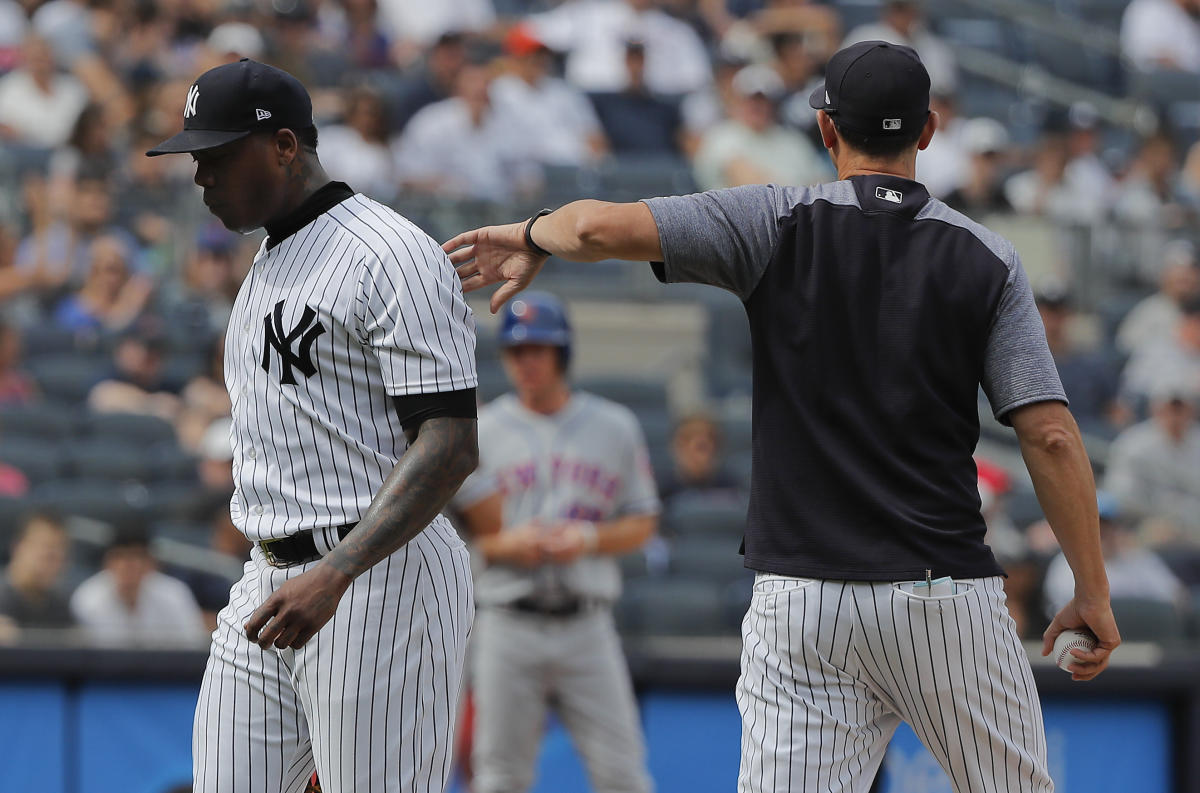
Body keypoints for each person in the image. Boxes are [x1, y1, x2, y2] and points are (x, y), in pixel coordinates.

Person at [445, 40, 1119, 792]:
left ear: (827, 130)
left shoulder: (773, 218)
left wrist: (532, 235)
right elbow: (1050, 432)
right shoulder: (986, 255)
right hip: (941, 592)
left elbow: (597, 228)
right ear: (927, 131)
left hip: (803, 600)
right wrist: (1090, 587)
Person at [145, 59, 478, 793]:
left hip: (378, 576)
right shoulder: (270, 255)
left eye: (217, 156)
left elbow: (451, 443)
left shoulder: (389, 253)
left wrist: (337, 570)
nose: (201, 176)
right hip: (270, 578)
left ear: (286, 145)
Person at [462, 292, 659, 793]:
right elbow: (448, 540)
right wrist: (507, 546)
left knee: (623, 776)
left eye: (538, 349)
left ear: (562, 352)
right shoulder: (479, 432)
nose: (526, 361)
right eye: (516, 351)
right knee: (499, 776)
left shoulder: (614, 426)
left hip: (587, 625)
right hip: (507, 621)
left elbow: (644, 522)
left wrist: (587, 539)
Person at [1043, 492, 1187, 618]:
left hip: (1141, 644)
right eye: (1095, 525)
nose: (1101, 532)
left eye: (1106, 525)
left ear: (1117, 528)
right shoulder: (1066, 563)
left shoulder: (1139, 560)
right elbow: (1062, 611)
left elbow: (1176, 598)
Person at [70, 523, 207, 645]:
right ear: (107, 562)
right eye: (120, 556)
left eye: (137, 556)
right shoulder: (87, 599)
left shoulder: (174, 595)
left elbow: (194, 646)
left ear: (151, 563)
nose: (128, 565)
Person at [0, 511, 74, 632]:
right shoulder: (2, 596)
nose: (52, 563)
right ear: (18, 547)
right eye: (45, 551)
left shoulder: (61, 604)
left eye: (59, 554)